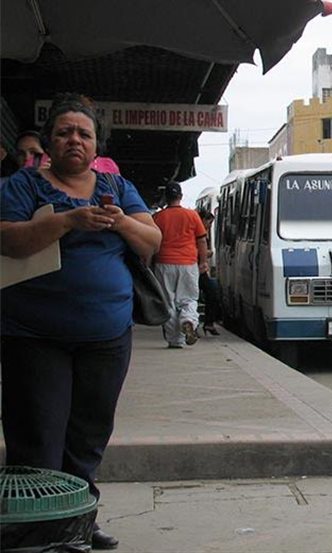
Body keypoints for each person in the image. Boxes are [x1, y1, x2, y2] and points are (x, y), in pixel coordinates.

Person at [0, 93, 162, 550]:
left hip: (107, 335)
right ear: (49, 142)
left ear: (96, 145)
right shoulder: (24, 185)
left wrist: (120, 223)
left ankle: (79, 522)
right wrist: (68, 221)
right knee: (38, 436)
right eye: (65, 132)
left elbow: (152, 239)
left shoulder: (119, 188)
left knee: (89, 435)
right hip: (34, 336)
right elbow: (8, 240)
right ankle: (39, 531)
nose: (75, 139)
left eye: (84, 133)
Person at [153, 182, 209, 348]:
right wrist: (204, 261)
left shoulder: (157, 217)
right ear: (181, 196)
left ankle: (175, 340)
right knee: (189, 298)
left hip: (163, 263)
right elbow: (202, 240)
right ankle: (189, 320)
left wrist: (148, 263)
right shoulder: (192, 215)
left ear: (166, 198)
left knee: (168, 302)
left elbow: (152, 242)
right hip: (188, 263)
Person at [198, 208, 222, 336]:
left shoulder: (203, 232)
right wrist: (207, 253)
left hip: (200, 271)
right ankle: (205, 323)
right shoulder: (197, 231)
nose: (209, 226)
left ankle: (209, 323)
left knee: (213, 291)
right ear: (203, 220)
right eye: (209, 223)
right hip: (195, 269)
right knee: (212, 290)